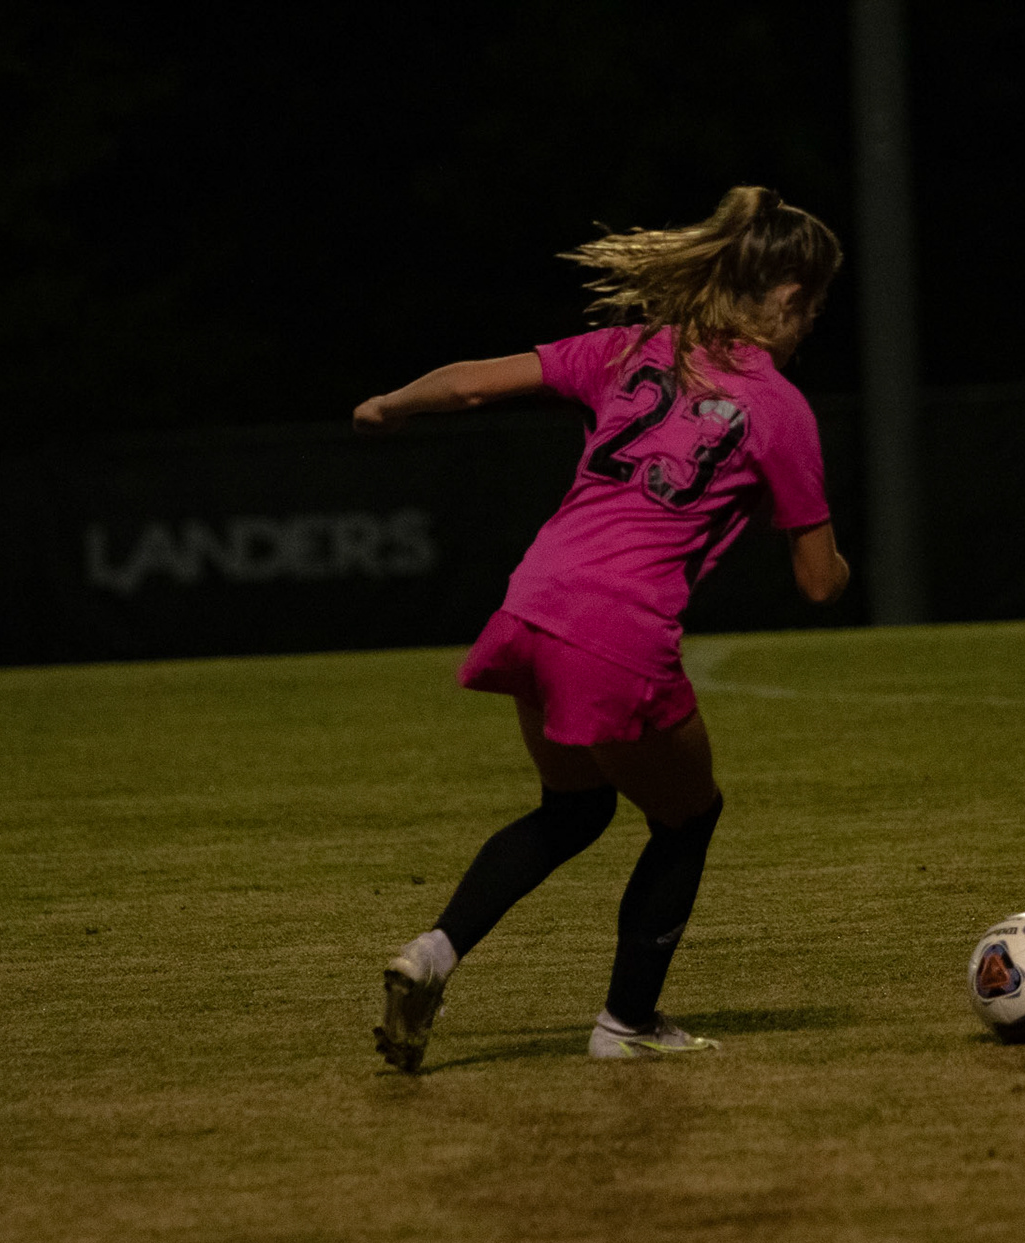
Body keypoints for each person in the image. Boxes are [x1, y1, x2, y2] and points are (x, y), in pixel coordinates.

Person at [352, 187, 850, 1068]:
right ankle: (627, 1024)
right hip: (618, 632)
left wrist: (389, 405)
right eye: (813, 305)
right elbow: (818, 583)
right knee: (689, 817)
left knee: (575, 808)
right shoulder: (778, 408)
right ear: (785, 295)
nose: (811, 323)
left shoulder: (631, 348)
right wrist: (843, 561)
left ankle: (431, 954)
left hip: (532, 603)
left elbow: (469, 384)